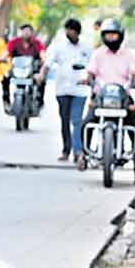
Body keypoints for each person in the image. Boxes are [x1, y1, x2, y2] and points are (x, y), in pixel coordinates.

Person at [79, 19, 135, 181]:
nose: (111, 38)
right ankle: (83, 155)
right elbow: (90, 73)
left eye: (114, 35)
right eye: (108, 35)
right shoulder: (98, 54)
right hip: (101, 97)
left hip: (123, 97)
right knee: (85, 124)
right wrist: (86, 79)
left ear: (120, 36)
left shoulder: (128, 54)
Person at [44, 18, 92, 163]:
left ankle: (78, 151)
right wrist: (41, 75)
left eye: (72, 31)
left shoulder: (87, 46)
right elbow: (48, 63)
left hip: (80, 89)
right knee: (65, 120)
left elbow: (93, 65)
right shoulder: (58, 46)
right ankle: (66, 150)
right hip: (62, 89)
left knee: (76, 120)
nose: (69, 33)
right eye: (67, 30)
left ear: (77, 32)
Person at [2, 23, 45, 112]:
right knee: (5, 77)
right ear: (20, 32)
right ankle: (6, 101)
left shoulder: (37, 43)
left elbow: (42, 54)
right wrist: (2, 58)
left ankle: (39, 101)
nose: (26, 33)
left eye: (28, 31)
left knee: (41, 79)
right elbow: (6, 53)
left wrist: (44, 60)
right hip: (16, 70)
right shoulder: (14, 42)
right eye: (24, 31)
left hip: (32, 70)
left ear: (31, 33)